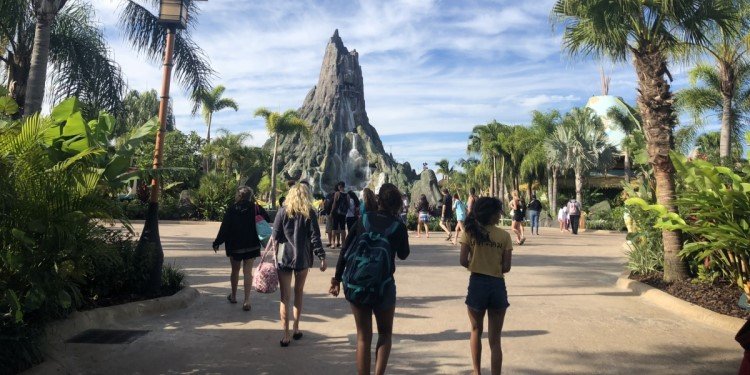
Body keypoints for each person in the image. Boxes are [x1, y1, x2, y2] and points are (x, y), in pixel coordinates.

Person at [329, 183, 410, 375]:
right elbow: (404, 254)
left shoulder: (363, 219)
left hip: (357, 284)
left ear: (378, 200)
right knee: (384, 334)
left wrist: (336, 278)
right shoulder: (398, 226)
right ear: (398, 203)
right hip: (384, 286)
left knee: (363, 337)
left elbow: (345, 249)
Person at [459, 197, 513, 375]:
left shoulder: (469, 231)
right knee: (495, 339)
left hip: (477, 283)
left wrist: (476, 265)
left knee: (476, 330)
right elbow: (506, 267)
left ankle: (476, 371)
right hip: (497, 285)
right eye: (498, 212)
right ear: (491, 214)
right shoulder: (504, 236)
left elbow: (462, 260)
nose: (500, 215)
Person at [272, 184, 327, 347]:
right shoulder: (309, 213)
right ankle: (296, 328)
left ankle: (285, 335)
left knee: (284, 297)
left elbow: (274, 237)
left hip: (284, 257)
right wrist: (321, 256)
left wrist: (273, 256)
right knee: (299, 292)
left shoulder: (282, 212)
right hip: (302, 257)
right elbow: (315, 237)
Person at [212, 186, 269, 312]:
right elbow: (267, 218)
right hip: (251, 245)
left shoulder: (232, 209)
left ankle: (233, 296)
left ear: (239, 196)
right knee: (247, 272)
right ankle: (247, 300)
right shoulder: (256, 208)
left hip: (235, 245)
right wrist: (257, 207)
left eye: (236, 194)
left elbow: (225, 227)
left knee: (235, 271)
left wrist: (217, 242)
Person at [330, 181, 349, 248]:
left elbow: (334, 203)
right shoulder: (347, 195)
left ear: (339, 186)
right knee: (343, 229)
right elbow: (348, 205)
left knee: (334, 228)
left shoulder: (337, 193)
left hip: (336, 213)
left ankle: (333, 244)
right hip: (343, 214)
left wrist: (331, 212)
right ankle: (343, 244)